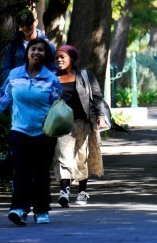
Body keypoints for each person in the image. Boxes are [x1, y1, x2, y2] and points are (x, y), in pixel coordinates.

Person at [0, 38, 61, 225]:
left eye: (41, 50)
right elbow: (3, 97)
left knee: (41, 173)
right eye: (33, 49)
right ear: (27, 53)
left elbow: (60, 106)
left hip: (44, 133)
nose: (36, 53)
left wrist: (61, 126)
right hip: (19, 131)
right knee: (21, 172)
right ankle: (19, 209)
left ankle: (42, 210)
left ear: (45, 54)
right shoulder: (15, 74)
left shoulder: (51, 78)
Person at [53, 45, 106, 208]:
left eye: (63, 57)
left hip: (83, 121)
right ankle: (64, 192)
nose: (59, 60)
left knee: (82, 156)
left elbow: (97, 97)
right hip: (62, 122)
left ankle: (82, 192)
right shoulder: (52, 78)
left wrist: (100, 115)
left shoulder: (85, 76)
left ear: (72, 59)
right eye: (57, 58)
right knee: (63, 156)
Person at [0, 9, 57, 83]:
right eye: (22, 25)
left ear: (35, 22)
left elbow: (54, 70)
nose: (25, 28)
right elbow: (4, 70)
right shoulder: (13, 45)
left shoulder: (48, 46)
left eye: (28, 24)